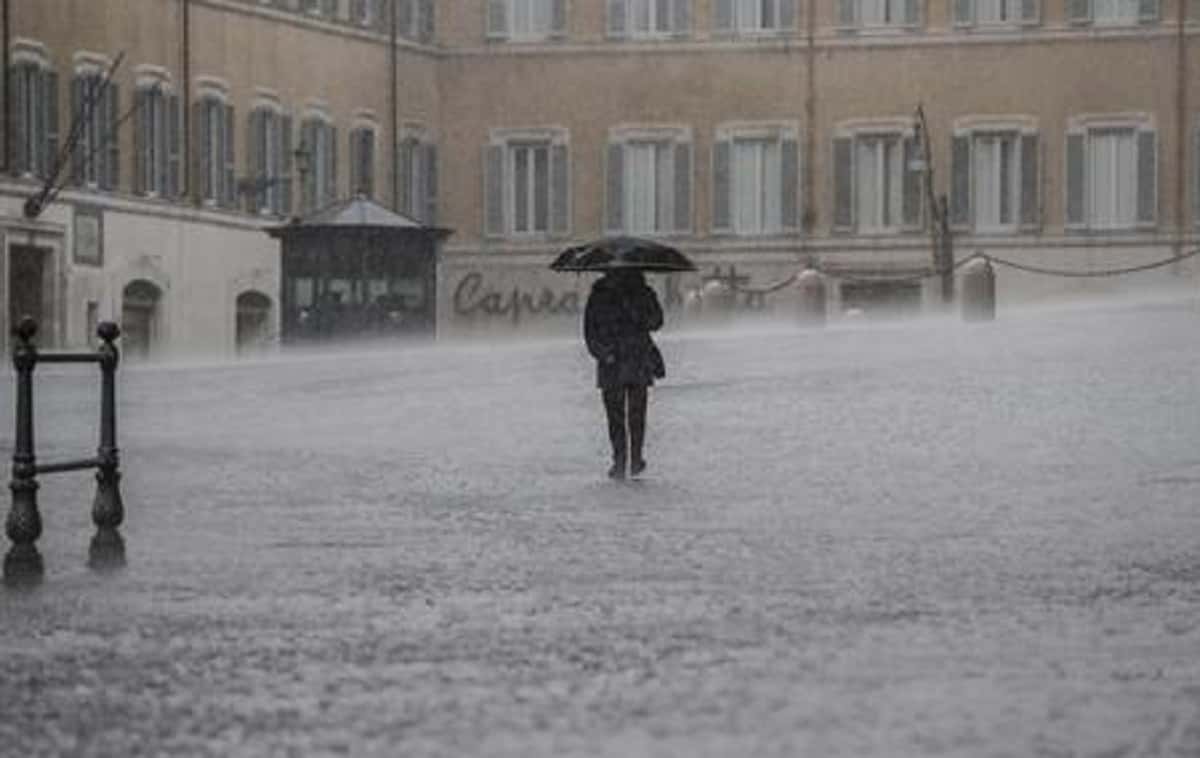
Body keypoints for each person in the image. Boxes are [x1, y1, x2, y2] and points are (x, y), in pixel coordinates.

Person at [584, 268, 665, 480]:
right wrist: (603, 353)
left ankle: (631, 459)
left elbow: (656, 322)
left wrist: (639, 313)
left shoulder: (642, 293)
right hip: (618, 359)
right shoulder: (601, 295)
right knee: (621, 415)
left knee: (630, 415)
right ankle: (623, 460)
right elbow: (590, 331)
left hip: (630, 358)